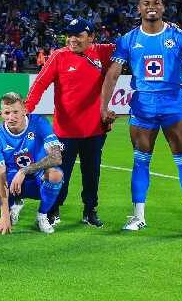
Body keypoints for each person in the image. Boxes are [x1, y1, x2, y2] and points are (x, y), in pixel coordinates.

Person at [99, 0, 182, 237]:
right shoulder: (128, 39)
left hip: (174, 106)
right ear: (138, 9)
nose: (151, 6)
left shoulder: (180, 36)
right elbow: (112, 74)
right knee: (140, 161)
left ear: (163, 7)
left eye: (156, 2)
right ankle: (138, 217)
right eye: (146, 3)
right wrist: (103, 106)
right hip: (143, 107)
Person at [23, 17, 115, 227]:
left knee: (92, 174)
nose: (72, 39)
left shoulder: (102, 52)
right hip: (64, 132)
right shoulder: (58, 56)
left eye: (78, 35)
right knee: (60, 174)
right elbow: (39, 85)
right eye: (69, 35)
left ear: (91, 37)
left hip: (94, 130)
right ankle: (53, 210)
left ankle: (90, 210)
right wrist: (27, 110)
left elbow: (130, 44)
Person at [0, 93, 64, 235]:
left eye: (15, 112)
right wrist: (4, 215)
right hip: (12, 182)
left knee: (56, 175)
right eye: (7, 112)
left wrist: (24, 171)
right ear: (1, 114)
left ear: (25, 110)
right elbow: (0, 176)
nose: (11, 117)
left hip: (37, 177)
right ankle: (14, 205)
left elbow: (56, 157)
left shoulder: (39, 123)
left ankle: (42, 216)